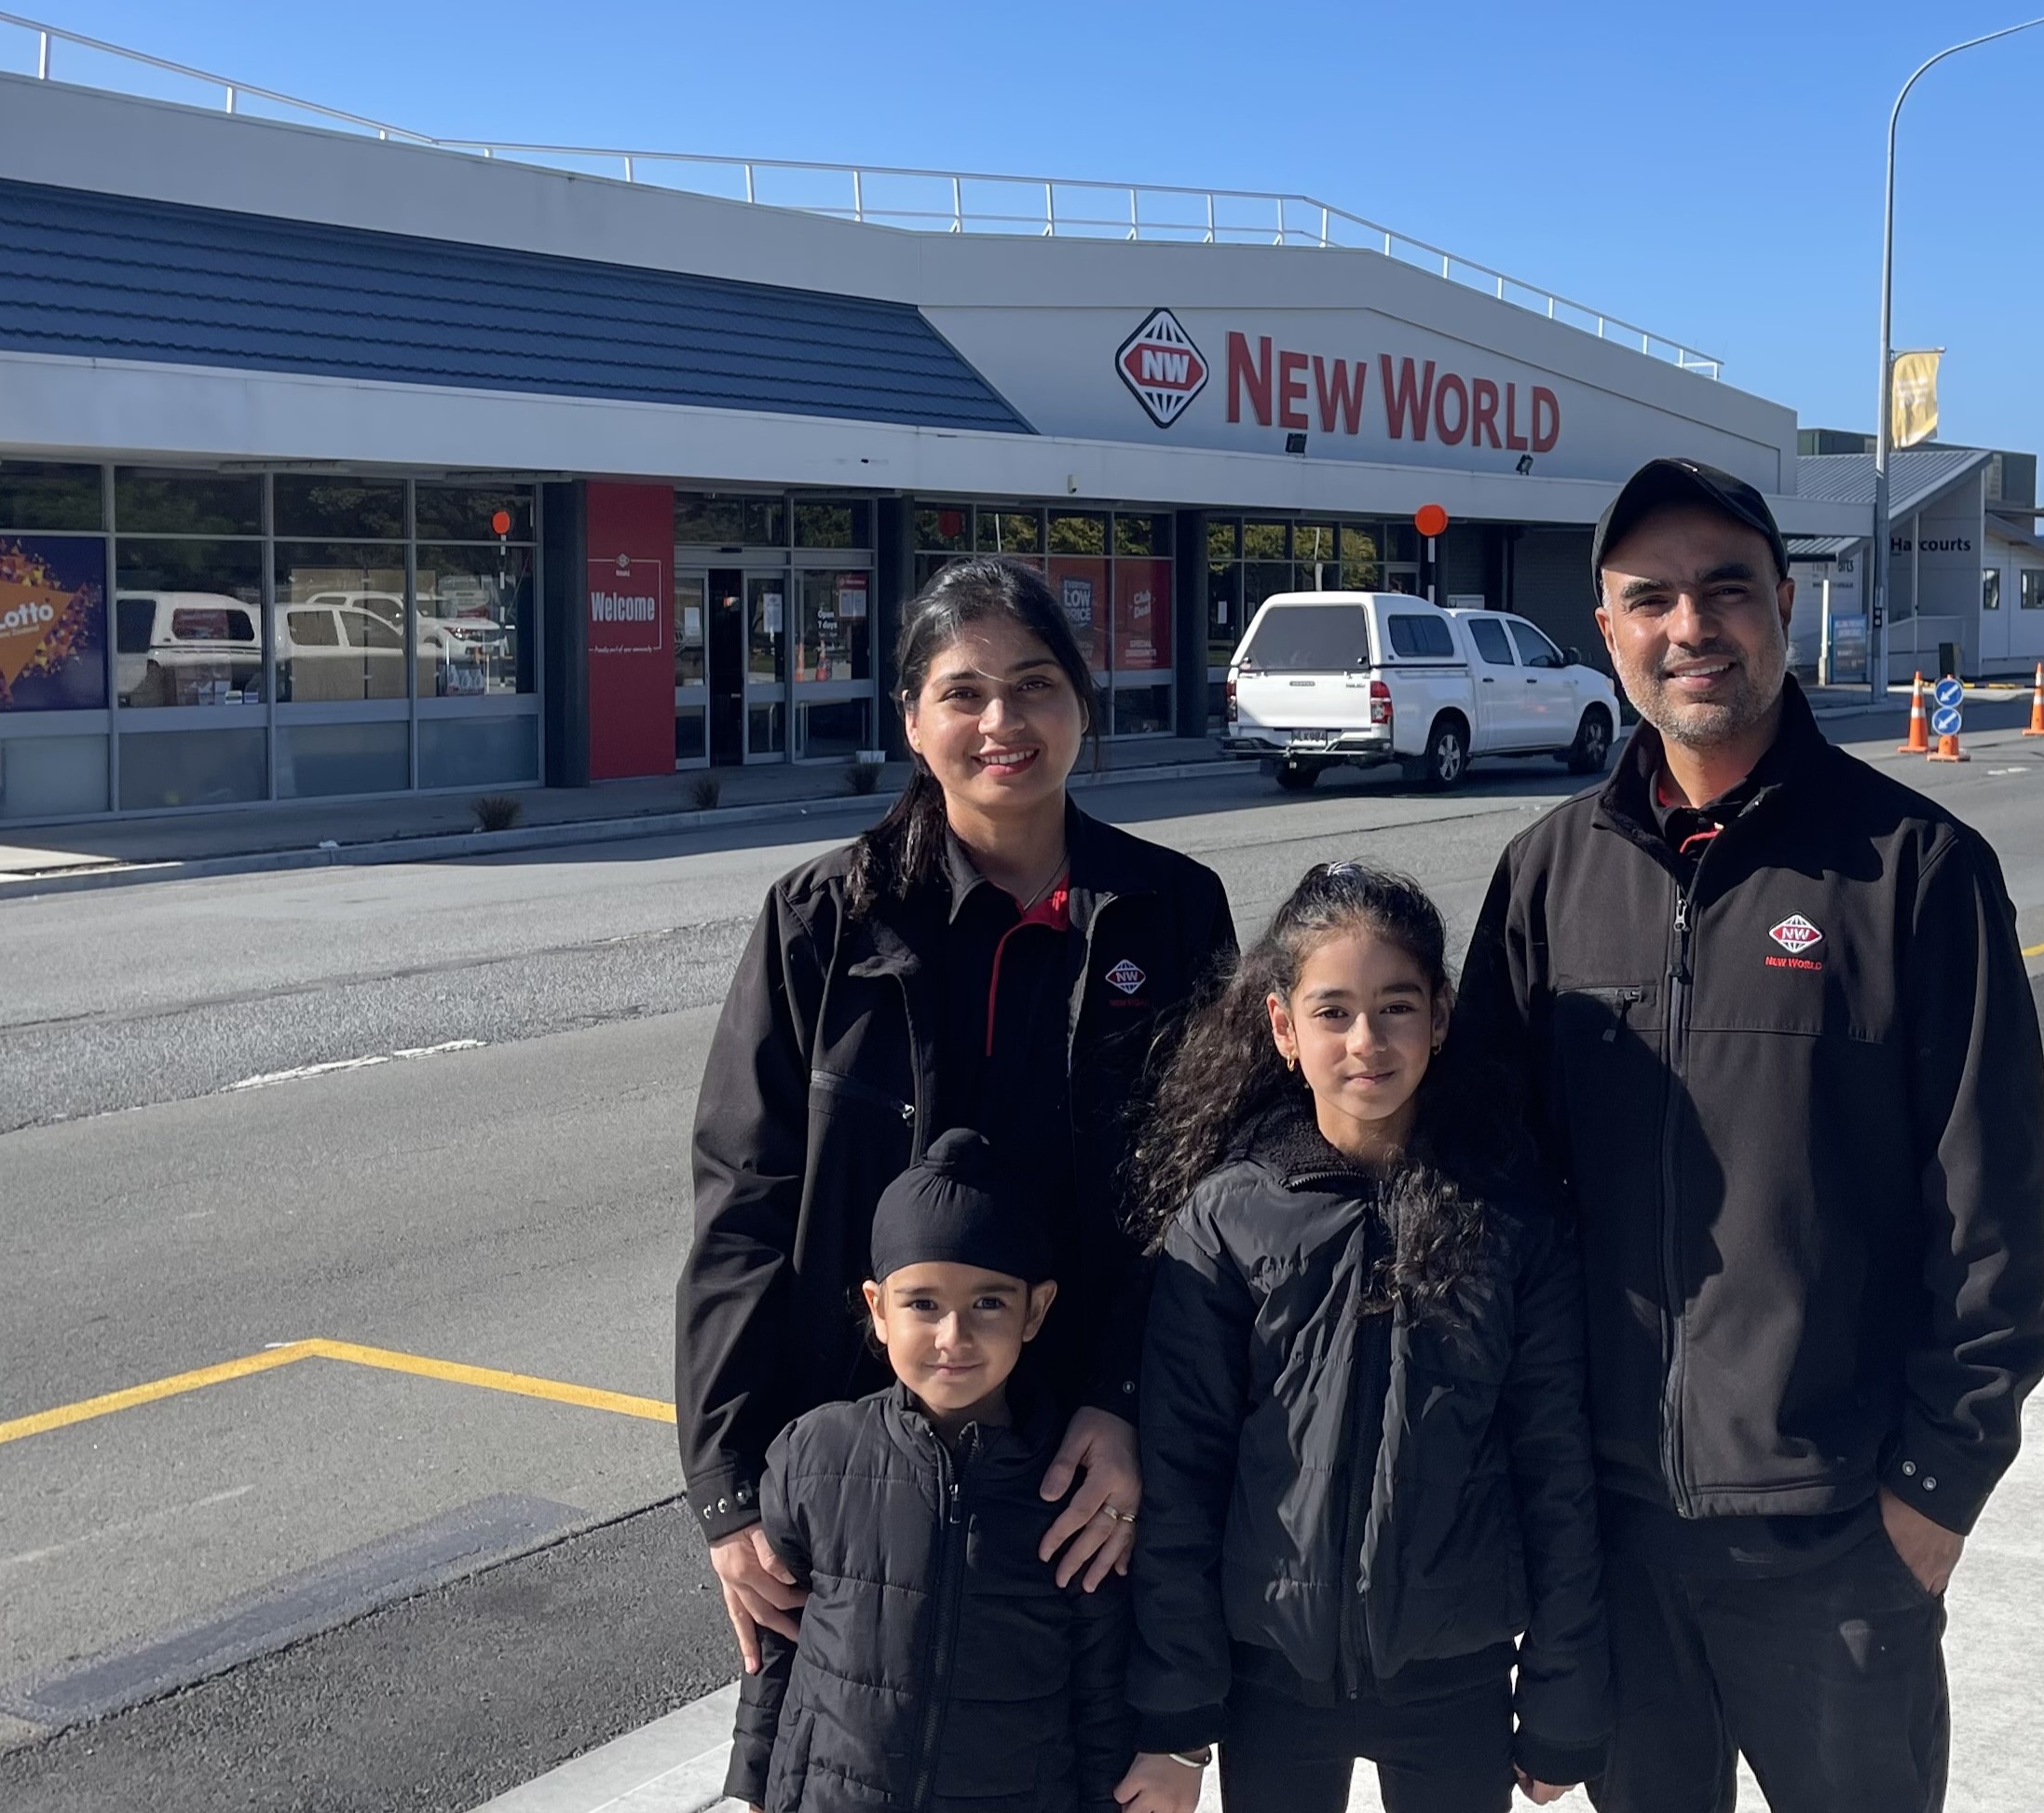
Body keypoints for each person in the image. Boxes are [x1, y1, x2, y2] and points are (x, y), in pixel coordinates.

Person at [1453, 457, 2044, 1812]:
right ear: (1606, 630)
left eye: (1727, 588)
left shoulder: (1917, 873)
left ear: (1784, 603)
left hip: (1839, 1542)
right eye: (1650, 598)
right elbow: (1483, 1197)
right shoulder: (1548, 876)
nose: (1692, 625)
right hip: (1612, 1543)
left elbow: (1992, 1221)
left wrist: (1930, 1502)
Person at [678, 556, 1237, 1676]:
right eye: (964, 692)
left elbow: (1206, 1203)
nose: (1002, 721)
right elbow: (744, 1199)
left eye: (1035, 685)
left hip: (1083, 1465)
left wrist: (1126, 1401)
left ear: (1082, 700)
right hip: (851, 1458)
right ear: (911, 717)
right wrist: (730, 1489)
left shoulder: (1169, 912)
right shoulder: (821, 921)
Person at [1115, 862, 1609, 1813]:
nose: (1367, 1040)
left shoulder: (1509, 1216)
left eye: (1395, 1006)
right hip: (1272, 1678)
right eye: (1333, 1010)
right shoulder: (1230, 1218)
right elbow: (1181, 1475)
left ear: (1441, 1014)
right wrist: (1177, 1712)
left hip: (1456, 1668)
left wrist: (1562, 1686)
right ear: (1281, 1029)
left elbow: (1555, 1463)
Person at [725, 1128, 1136, 1813]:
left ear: (1036, 1310)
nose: (954, 1336)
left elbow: (1100, 1693)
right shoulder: (817, 1456)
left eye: (988, 1303)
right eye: (923, 1304)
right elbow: (775, 1644)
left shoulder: (1070, 1493)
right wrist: (751, 1786)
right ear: (877, 1309)